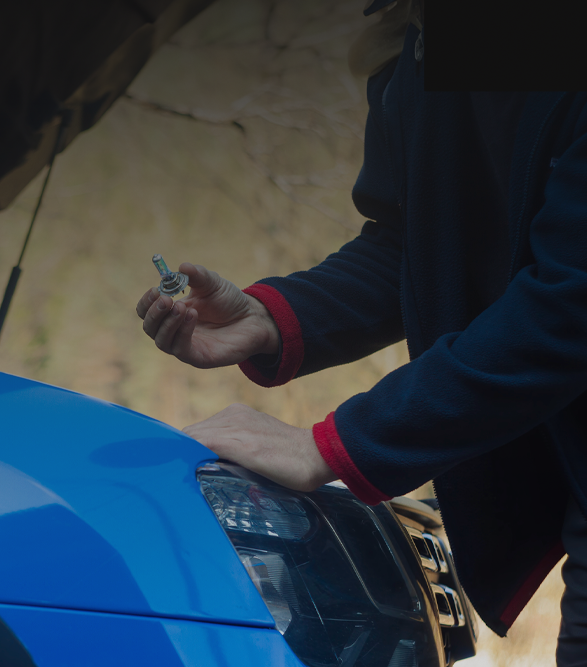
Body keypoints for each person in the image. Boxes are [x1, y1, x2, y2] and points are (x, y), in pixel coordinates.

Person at [135, 0, 587, 661]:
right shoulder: (420, 46)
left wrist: (338, 446)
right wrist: (277, 317)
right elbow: (419, 240)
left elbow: (570, 304)